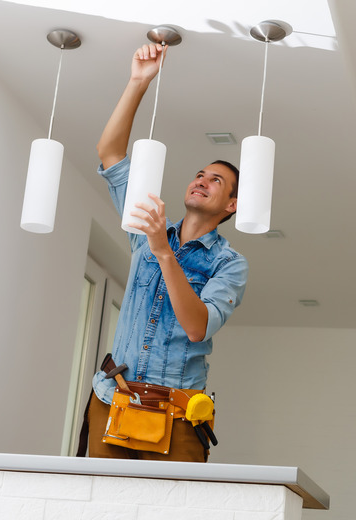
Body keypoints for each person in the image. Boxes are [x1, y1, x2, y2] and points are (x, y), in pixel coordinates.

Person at [85, 42, 248, 462]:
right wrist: (138, 82)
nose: (202, 179)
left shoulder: (229, 264)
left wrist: (162, 251)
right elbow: (111, 155)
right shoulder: (147, 222)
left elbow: (198, 327)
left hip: (178, 415)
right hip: (111, 398)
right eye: (200, 174)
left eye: (216, 180)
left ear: (231, 205)